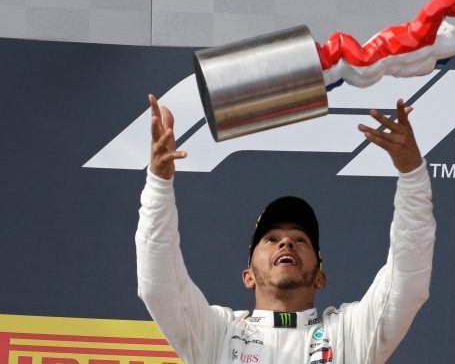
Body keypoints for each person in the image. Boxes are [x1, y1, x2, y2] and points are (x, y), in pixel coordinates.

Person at [136, 94, 437, 363]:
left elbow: (407, 281)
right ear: (248, 276)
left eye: (300, 239)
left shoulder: (350, 334)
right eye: (271, 239)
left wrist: (412, 174)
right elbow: (159, 286)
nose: (286, 244)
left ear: (320, 276)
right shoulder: (218, 334)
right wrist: (159, 183)